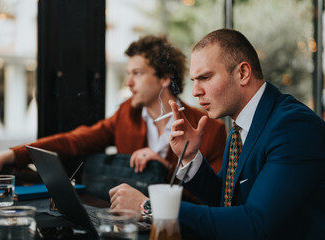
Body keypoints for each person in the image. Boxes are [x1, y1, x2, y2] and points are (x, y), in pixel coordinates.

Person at [109, 29, 325, 239]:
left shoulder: (294, 126)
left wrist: (148, 206)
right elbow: (225, 201)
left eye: (205, 77)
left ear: (242, 73)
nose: (195, 91)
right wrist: (190, 157)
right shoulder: (240, 126)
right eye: (194, 80)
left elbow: (256, 224)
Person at [0, 35, 227, 204]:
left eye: (137, 73)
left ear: (164, 78)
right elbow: (73, 141)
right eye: (128, 73)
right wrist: (9, 157)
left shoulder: (210, 129)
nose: (129, 82)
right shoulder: (127, 114)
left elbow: (212, 203)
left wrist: (164, 168)